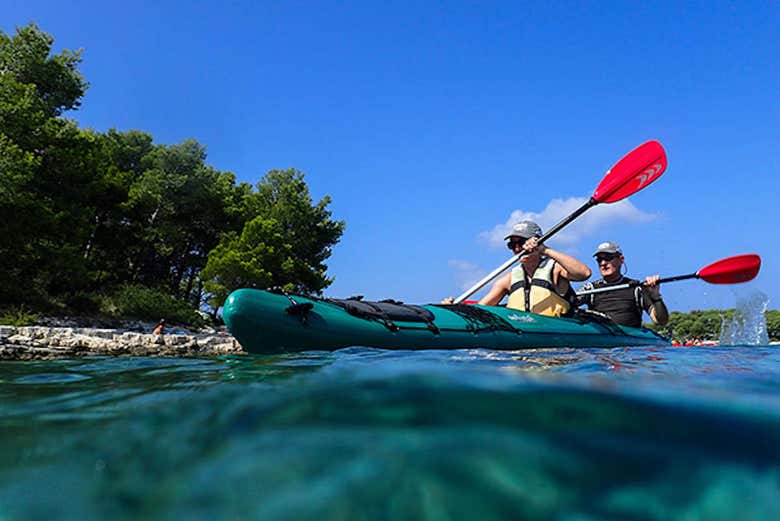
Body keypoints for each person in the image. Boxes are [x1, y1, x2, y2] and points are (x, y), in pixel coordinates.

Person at [443, 220, 591, 317]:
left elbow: (584, 273)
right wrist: (453, 310)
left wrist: (544, 249)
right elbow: (480, 309)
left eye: (521, 243)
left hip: (558, 343)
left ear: (536, 242)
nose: (517, 248)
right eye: (512, 245)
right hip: (523, 340)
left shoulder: (555, 269)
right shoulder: (508, 280)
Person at [578, 241, 669, 327]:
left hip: (628, 340)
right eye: (599, 259)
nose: (603, 263)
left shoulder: (637, 288)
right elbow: (568, 302)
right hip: (601, 338)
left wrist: (656, 297)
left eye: (608, 258)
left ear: (621, 259)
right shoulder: (590, 288)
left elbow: (661, 321)